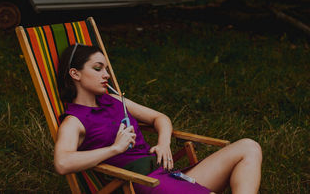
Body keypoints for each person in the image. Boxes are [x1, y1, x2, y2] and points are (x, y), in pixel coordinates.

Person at [54, 44, 262, 194]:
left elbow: (159, 117)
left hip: (167, 176)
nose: (106, 74)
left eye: (107, 69)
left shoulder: (114, 100)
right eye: (98, 68)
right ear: (75, 74)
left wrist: (163, 143)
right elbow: (62, 163)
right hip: (142, 183)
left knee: (249, 147)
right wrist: (115, 149)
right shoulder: (74, 121)